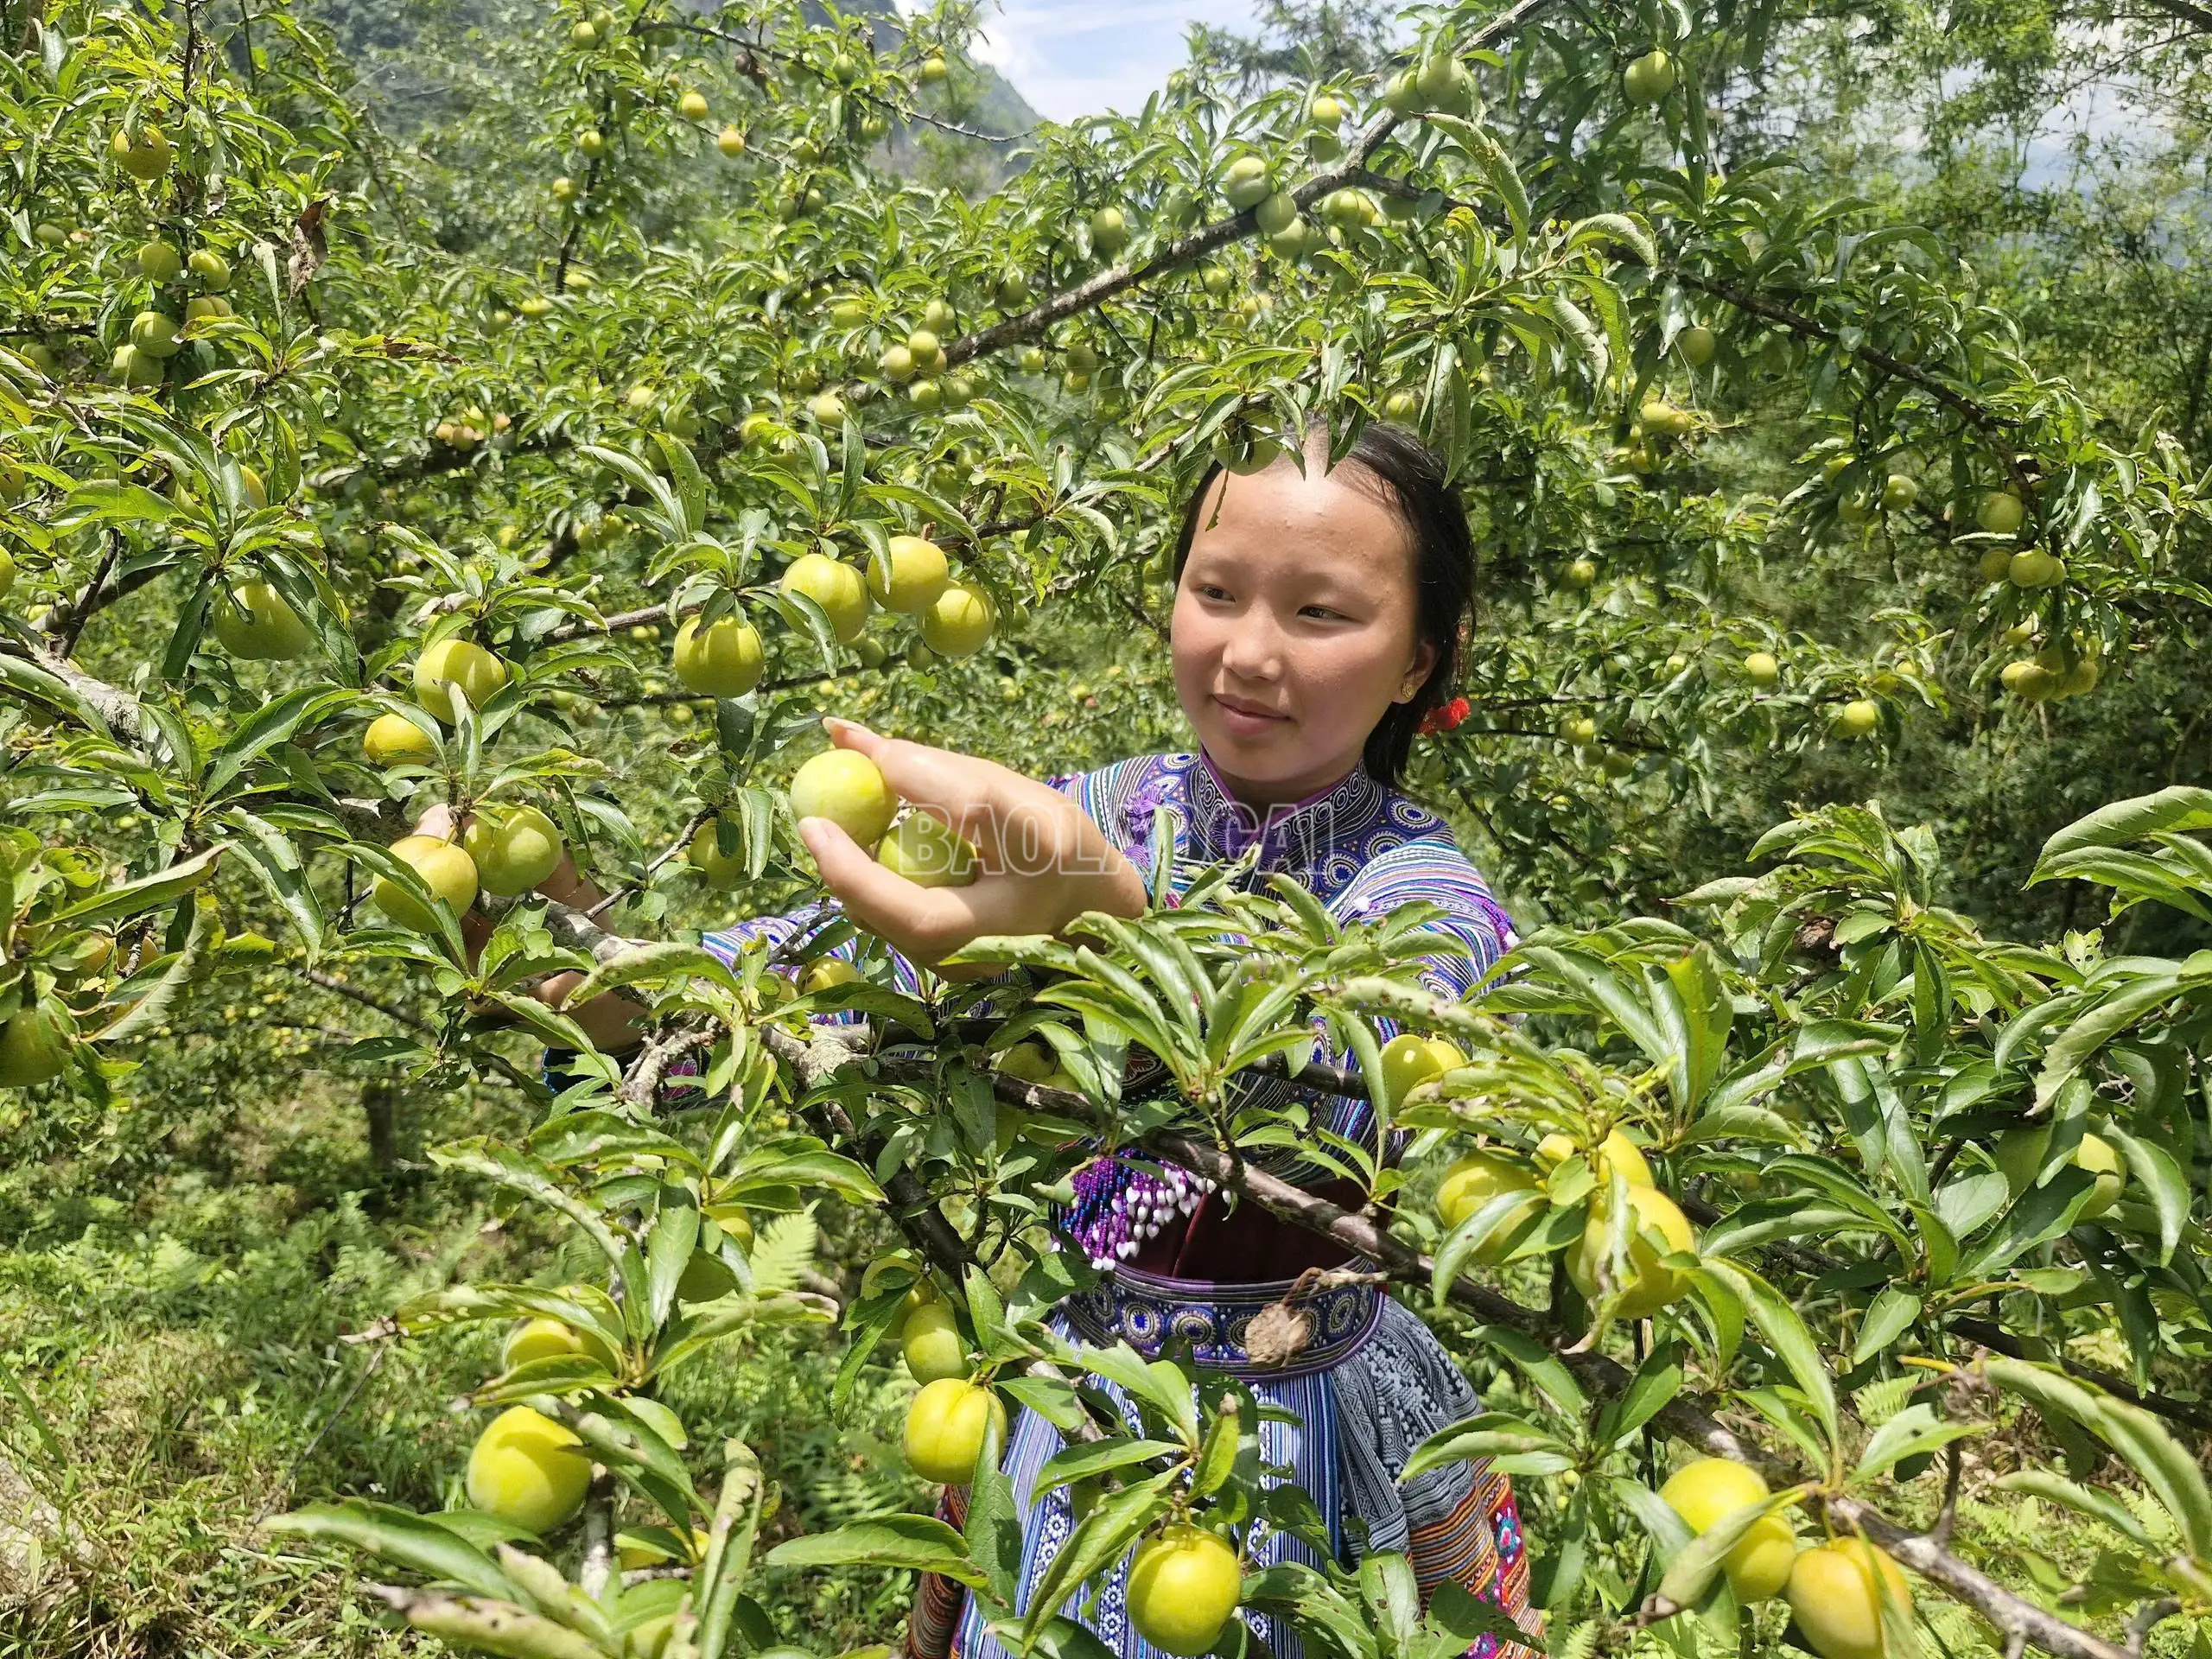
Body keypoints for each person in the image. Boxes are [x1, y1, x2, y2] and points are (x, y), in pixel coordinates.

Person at [490, 418, 1539, 1659]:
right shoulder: (1087, 815)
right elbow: (773, 993)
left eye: (1320, 614)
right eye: (1215, 593)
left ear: (1419, 659)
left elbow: (1333, 1082)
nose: (1249, 651)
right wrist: (562, 942)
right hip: (1067, 1401)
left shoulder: (1427, 899)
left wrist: (1109, 923)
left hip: (1305, 1438)